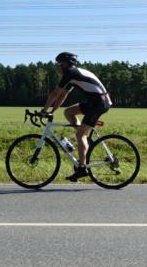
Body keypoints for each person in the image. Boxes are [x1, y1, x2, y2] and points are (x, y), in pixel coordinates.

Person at [40, 52, 112, 181]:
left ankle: (82, 168)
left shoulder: (70, 73)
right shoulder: (73, 74)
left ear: (65, 64)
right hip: (95, 102)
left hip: (99, 103)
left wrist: (44, 110)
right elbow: (63, 95)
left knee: (80, 135)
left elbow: (55, 93)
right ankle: (85, 141)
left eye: (59, 64)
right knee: (68, 112)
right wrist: (52, 111)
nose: (57, 67)